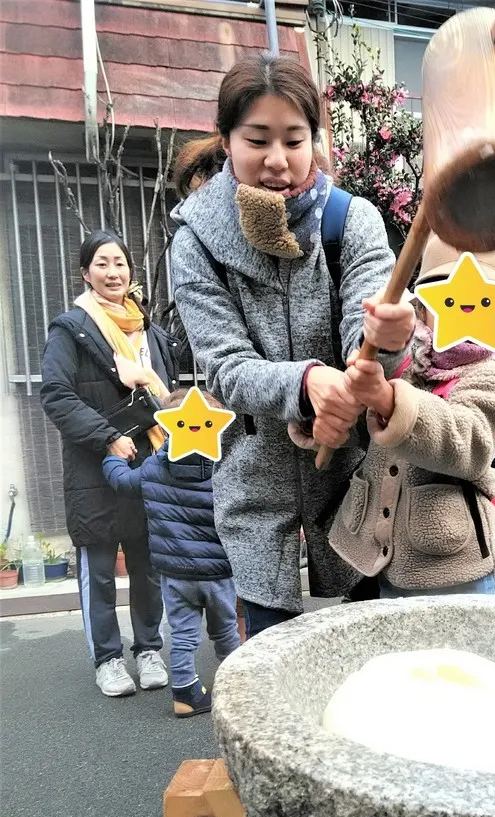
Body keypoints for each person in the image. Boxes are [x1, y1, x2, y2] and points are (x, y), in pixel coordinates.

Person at [169, 53, 415, 635]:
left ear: (315, 141)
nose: (276, 160)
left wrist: (386, 339)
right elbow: (225, 369)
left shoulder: (352, 221)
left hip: (357, 480)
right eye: (257, 139)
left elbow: (370, 333)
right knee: (270, 673)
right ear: (227, 140)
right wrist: (307, 384)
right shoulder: (196, 240)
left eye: (293, 139)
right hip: (254, 484)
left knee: (366, 664)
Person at [291, 236, 495, 597]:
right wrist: (328, 417)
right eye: (447, 300)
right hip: (381, 561)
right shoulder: (407, 365)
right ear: (422, 305)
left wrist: (387, 399)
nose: (464, 310)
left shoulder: (492, 376)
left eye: (482, 301)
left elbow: (469, 444)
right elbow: (370, 432)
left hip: (453, 564)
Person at [41, 230, 180, 697]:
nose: (112, 272)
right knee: (99, 569)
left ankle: (147, 649)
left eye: (119, 263)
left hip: (149, 464)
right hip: (94, 468)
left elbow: (167, 393)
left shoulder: (150, 332)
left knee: (148, 565)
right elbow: (56, 395)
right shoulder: (70, 329)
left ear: (130, 272)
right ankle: (107, 659)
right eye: (102, 263)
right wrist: (106, 437)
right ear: (86, 273)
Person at [103, 388, 241, 717]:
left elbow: (122, 482)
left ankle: (185, 694)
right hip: (219, 574)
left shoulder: (153, 470)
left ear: (167, 429)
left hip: (176, 575)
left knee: (183, 635)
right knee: (225, 632)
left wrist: (111, 457)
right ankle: (238, 690)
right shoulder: (226, 472)